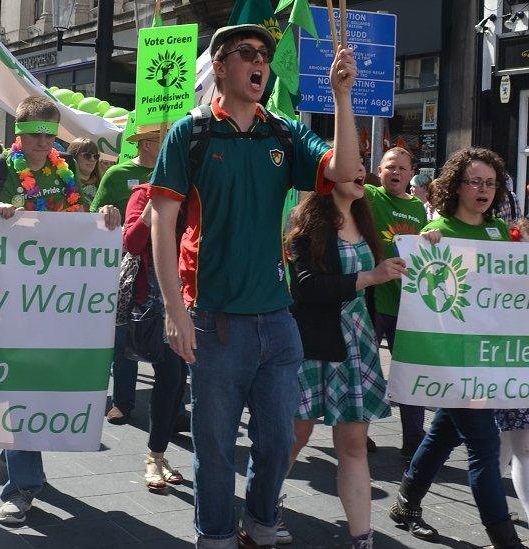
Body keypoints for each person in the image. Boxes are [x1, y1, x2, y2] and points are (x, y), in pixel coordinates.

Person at [149, 24, 361, 548]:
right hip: (214, 320)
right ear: (220, 66)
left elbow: (348, 170)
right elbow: (161, 222)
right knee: (216, 447)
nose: (260, 63)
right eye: (247, 53)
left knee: (277, 440)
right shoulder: (191, 133)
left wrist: (341, 97)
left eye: (264, 55)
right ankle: (216, 534)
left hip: (278, 320)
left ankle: (261, 520)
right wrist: (175, 312)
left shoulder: (283, 132)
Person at [0, 95, 121, 525]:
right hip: (3, 297)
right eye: (35, 135)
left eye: (50, 136)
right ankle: (22, 487)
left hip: (52, 300)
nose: (42, 143)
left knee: (29, 385)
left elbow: (76, 224)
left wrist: (102, 216)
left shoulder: (64, 171)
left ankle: (14, 452)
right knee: (19, 385)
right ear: (20, 132)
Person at [391, 147, 525, 549]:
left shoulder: (499, 233)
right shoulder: (440, 232)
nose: (484, 190)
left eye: (490, 183)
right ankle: (505, 540)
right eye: (475, 182)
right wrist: (424, 247)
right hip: (452, 360)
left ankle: (405, 503)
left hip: (486, 361)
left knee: (442, 434)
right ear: (456, 186)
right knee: (483, 445)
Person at [284, 164, 403, 548]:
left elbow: (399, 253)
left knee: (352, 445)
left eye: (361, 169)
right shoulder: (307, 223)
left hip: (357, 340)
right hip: (313, 341)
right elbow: (305, 287)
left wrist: (431, 241)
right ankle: (263, 507)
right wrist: (369, 277)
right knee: (294, 436)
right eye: (351, 168)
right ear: (327, 177)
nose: (361, 174)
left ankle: (361, 537)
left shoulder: (365, 217)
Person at [92, 124, 164, 425]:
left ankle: (172, 409)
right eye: (161, 141)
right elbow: (94, 212)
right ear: (146, 144)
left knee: (169, 345)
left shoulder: (178, 173)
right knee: (125, 338)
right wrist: (106, 210)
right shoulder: (117, 174)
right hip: (126, 268)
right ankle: (122, 401)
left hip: (163, 267)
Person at [363, 147, 428, 461]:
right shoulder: (371, 196)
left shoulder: (418, 208)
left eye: (402, 168)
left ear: (410, 173)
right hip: (373, 301)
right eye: (390, 166)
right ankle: (357, 434)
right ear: (380, 169)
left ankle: (414, 440)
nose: (396, 172)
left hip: (408, 306)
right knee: (363, 370)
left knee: (410, 375)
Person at [123, 182, 188, 493]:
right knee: (171, 377)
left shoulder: (200, 193)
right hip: (158, 301)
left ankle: (160, 456)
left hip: (197, 297)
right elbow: (132, 242)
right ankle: (154, 455)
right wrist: (154, 204)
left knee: (181, 379)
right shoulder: (143, 193)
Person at [499, 217, 529, 524]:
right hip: (508, 366)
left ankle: (490, 500)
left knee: (507, 442)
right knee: (521, 444)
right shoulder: (507, 255)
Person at [65, 137, 101, 206]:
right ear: (74, 156)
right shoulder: (63, 183)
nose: (92, 160)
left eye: (96, 156)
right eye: (87, 155)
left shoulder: (102, 185)